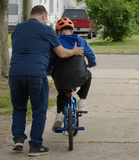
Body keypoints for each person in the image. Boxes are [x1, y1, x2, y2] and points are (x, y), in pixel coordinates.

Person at [9, 5, 84, 157]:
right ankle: (35, 146)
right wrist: (75, 51)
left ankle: (18, 138)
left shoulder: (17, 28)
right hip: (36, 74)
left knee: (19, 108)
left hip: (15, 73)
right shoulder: (46, 29)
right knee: (39, 110)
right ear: (43, 16)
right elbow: (62, 53)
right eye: (46, 19)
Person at [49, 17, 97, 132]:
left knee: (61, 93)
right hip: (79, 77)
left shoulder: (56, 43)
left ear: (58, 32)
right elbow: (91, 55)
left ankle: (59, 114)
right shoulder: (81, 41)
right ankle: (82, 102)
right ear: (72, 30)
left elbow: (49, 61)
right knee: (88, 75)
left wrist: (48, 71)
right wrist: (91, 63)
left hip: (61, 78)